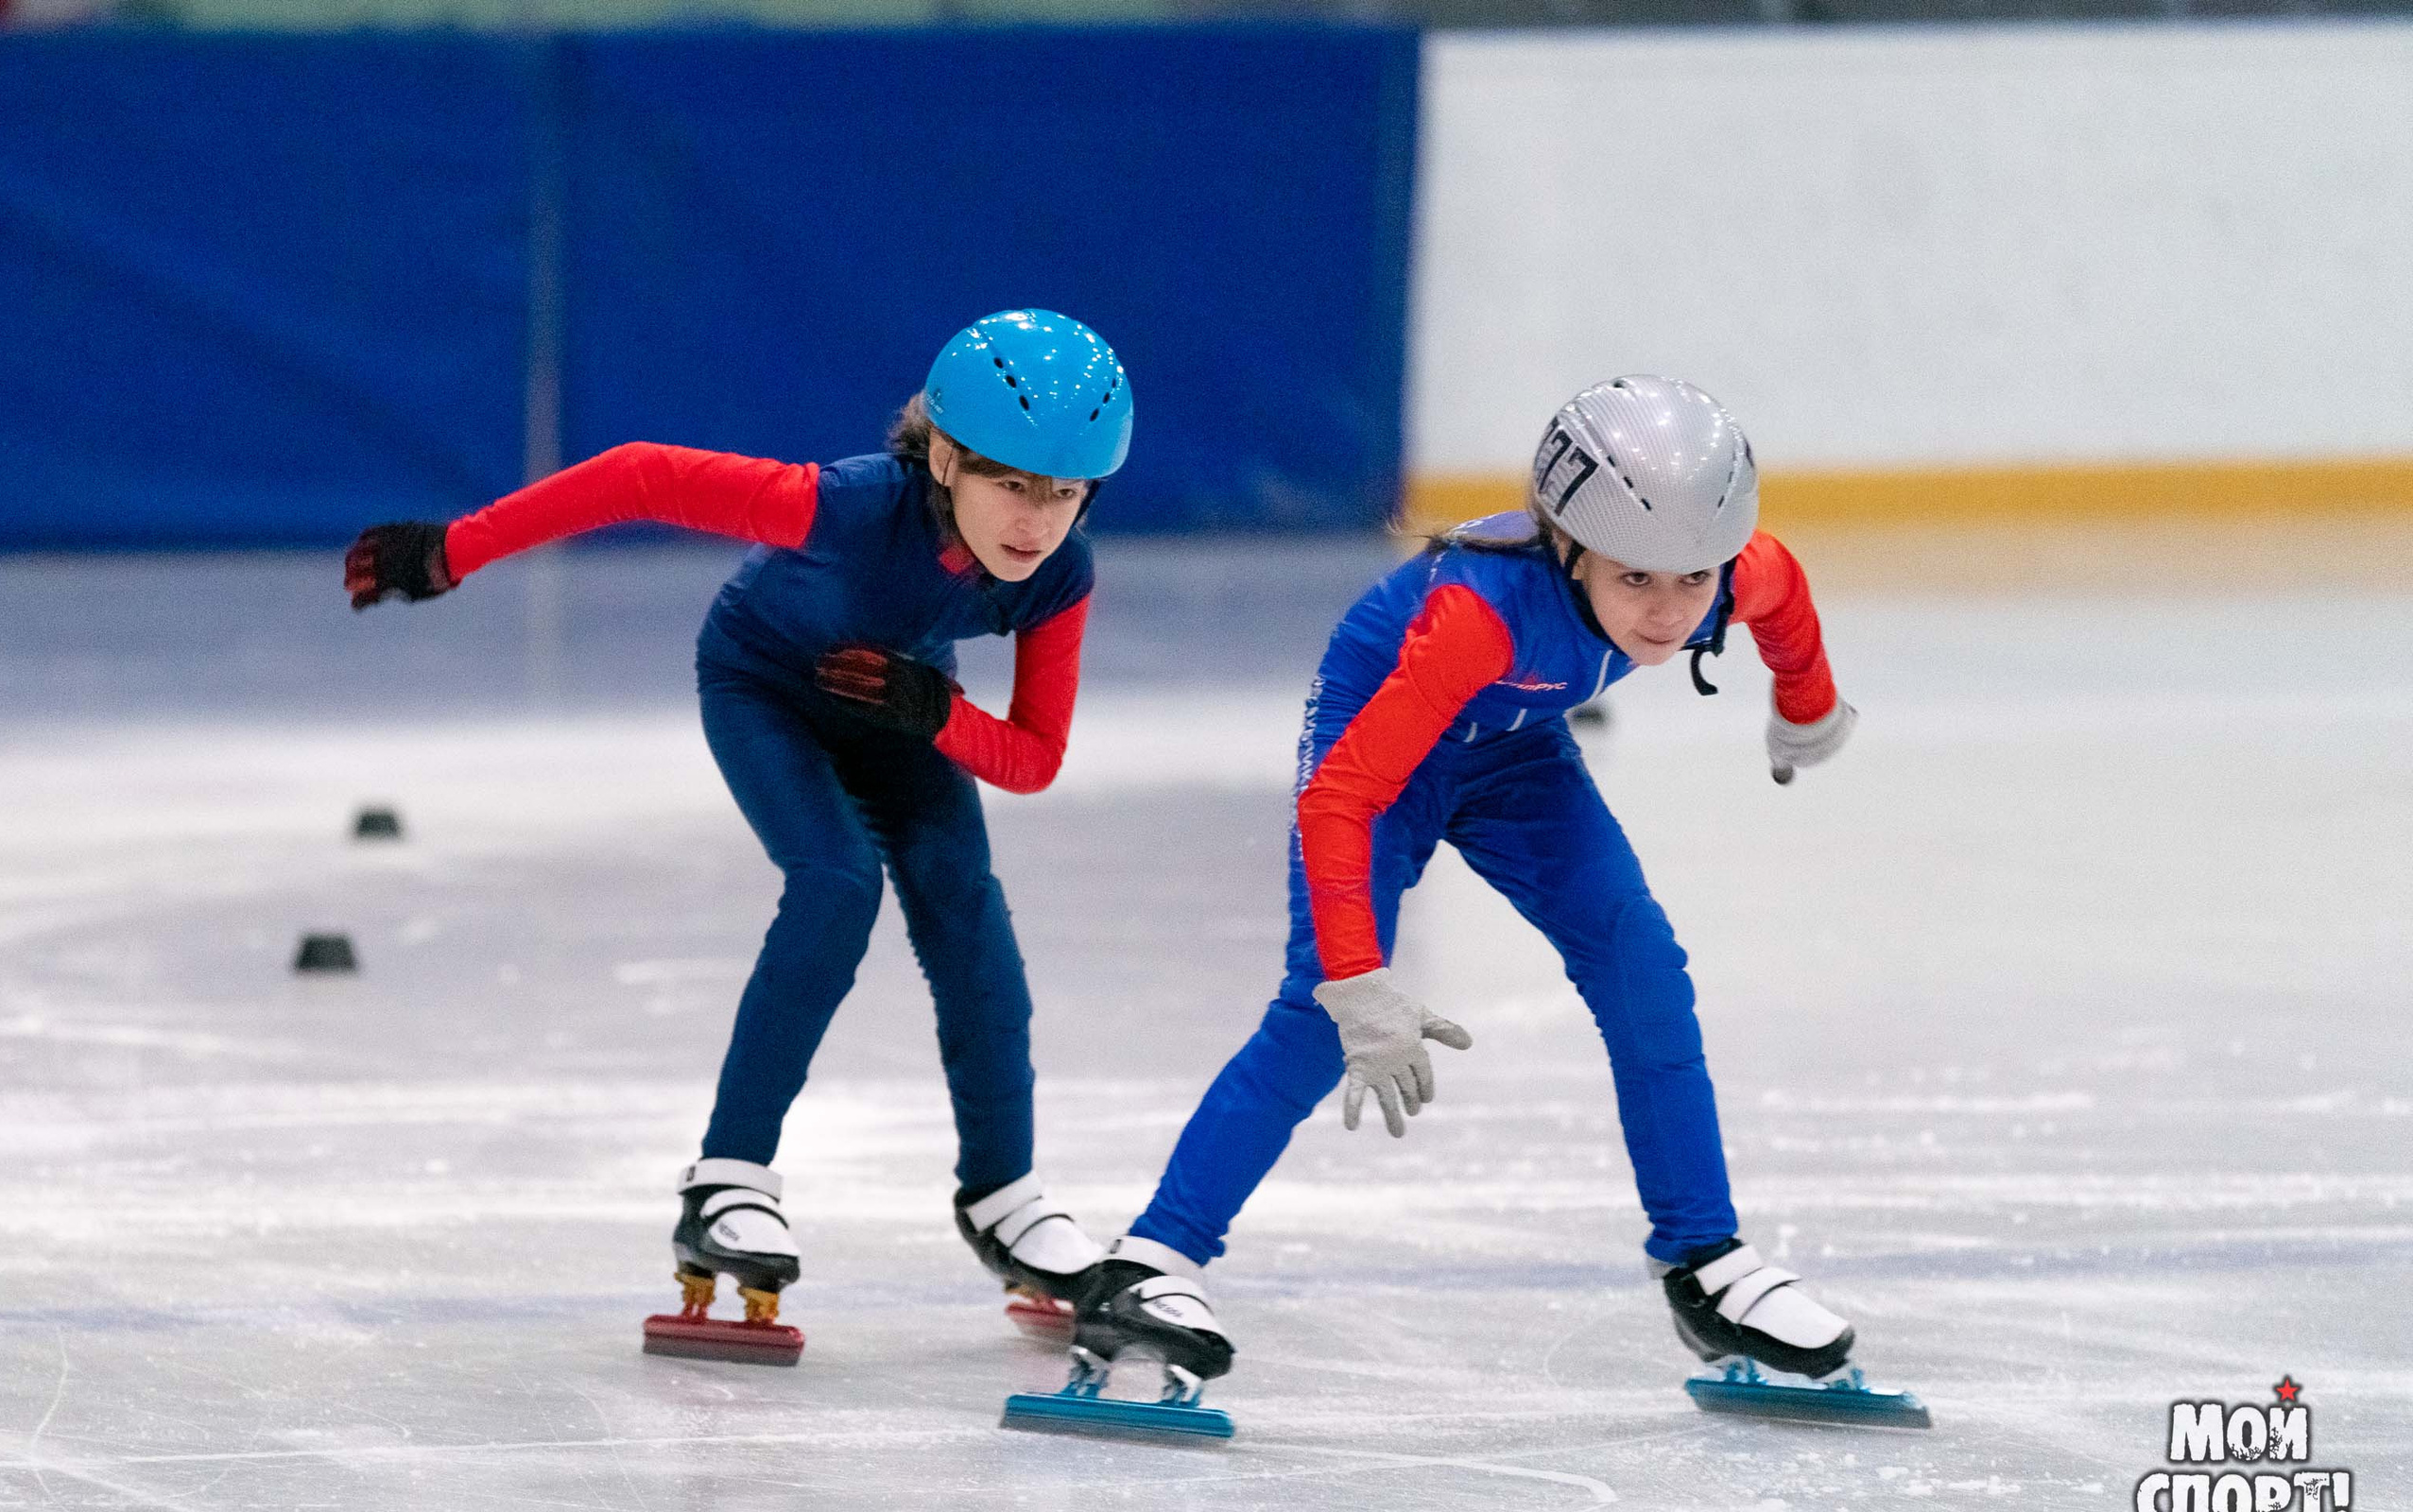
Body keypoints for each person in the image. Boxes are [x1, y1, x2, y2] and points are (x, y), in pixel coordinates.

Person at [342, 310, 1129, 1342]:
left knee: (965, 911)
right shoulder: (845, 506)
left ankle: (1003, 1199)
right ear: (944, 456)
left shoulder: (1059, 578)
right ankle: (727, 1180)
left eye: (1063, 494)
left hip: (901, 705)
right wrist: (457, 547)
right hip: (766, 687)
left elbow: (1032, 758)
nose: (1035, 522)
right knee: (835, 884)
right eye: (1012, 486)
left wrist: (936, 714)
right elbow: (638, 473)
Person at [1077, 376, 1863, 1388]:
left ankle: (1703, 1259)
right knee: (1317, 1014)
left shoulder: (1716, 570)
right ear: (1568, 546)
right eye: (1636, 582)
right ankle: (1148, 1262)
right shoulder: (1477, 617)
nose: (1669, 613)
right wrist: (1357, 980)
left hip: (1511, 749)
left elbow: (1783, 592)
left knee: (1642, 964)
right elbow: (1342, 801)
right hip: (1383, 755)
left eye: (1694, 580)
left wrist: (1807, 709)